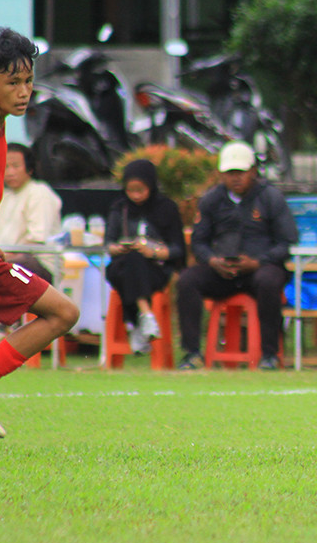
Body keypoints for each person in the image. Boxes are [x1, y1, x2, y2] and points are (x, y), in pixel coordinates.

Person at [0, 27, 79, 438]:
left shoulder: (2, 132)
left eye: (28, 81)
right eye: (13, 82)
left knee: (63, 312)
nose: (24, 92)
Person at [176, 140, 298, 370]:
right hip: (221, 271)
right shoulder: (212, 199)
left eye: (241, 172)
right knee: (187, 280)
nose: (236, 178)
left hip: (260, 269)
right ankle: (192, 352)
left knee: (269, 281)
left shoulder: (270, 197)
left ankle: (269, 354)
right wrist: (212, 260)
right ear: (222, 174)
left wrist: (258, 262)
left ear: (253, 171)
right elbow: (199, 241)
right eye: (230, 172)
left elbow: (287, 242)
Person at [104, 159, 185, 355]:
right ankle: (145, 315)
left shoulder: (166, 208)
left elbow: (177, 249)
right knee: (132, 258)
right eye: (131, 190)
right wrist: (121, 247)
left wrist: (155, 251)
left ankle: (135, 322)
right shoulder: (119, 208)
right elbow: (109, 245)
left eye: (141, 190)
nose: (136, 195)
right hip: (122, 267)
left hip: (155, 269)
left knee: (137, 260)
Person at [0, 142, 62, 283]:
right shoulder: (2, 196)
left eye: (16, 166)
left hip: (37, 263)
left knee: (1, 269)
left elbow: (36, 241)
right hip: (4, 258)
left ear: (29, 169)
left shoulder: (39, 192)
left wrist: (3, 257)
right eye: (5, 167)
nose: (10, 172)